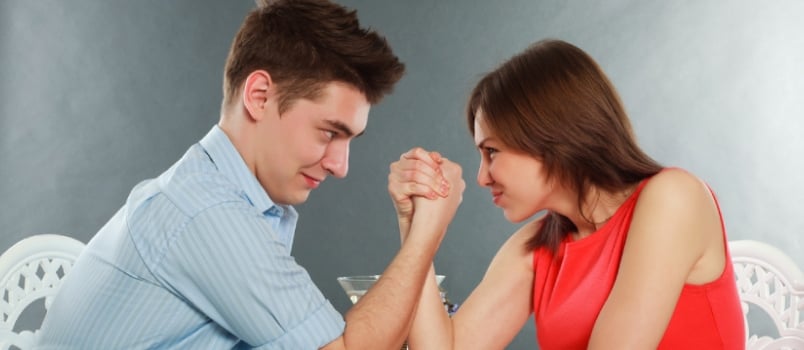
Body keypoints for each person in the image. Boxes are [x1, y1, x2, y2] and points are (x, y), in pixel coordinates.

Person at [35, 0, 465, 349]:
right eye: (329, 132)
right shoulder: (208, 211)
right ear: (259, 96)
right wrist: (426, 230)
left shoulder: (218, 192)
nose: (341, 165)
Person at [388, 39, 745, 349]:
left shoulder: (674, 197)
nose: (482, 177)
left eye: (492, 152)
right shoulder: (536, 248)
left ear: (549, 137)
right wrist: (417, 227)